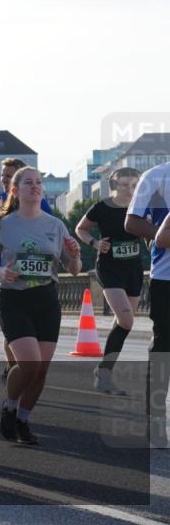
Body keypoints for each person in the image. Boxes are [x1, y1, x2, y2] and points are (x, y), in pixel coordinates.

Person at [0, 166, 81, 445]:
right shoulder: (4, 224)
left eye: (39, 183)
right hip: (14, 299)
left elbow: (73, 269)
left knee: (41, 369)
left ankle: (23, 420)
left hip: (47, 301)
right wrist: (1, 273)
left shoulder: (55, 225)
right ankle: (9, 407)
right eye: (28, 183)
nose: (35, 187)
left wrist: (74, 256)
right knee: (29, 362)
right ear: (15, 190)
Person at [0, 158, 52, 383]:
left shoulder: (37, 199)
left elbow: (48, 224)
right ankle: (12, 366)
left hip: (38, 274)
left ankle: (20, 365)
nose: (4, 178)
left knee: (31, 330)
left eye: (9, 175)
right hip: (5, 269)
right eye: (2, 175)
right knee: (11, 326)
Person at [75, 167, 144, 395]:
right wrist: (95, 243)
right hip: (109, 267)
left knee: (125, 322)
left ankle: (103, 372)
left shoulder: (141, 207)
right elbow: (81, 229)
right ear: (115, 186)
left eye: (134, 185)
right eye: (125, 184)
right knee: (125, 320)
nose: (130, 189)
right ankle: (104, 372)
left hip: (133, 268)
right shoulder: (102, 207)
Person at [124, 160, 170, 448]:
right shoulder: (156, 176)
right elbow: (132, 221)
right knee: (165, 346)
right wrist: (161, 237)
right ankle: (156, 419)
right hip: (167, 276)